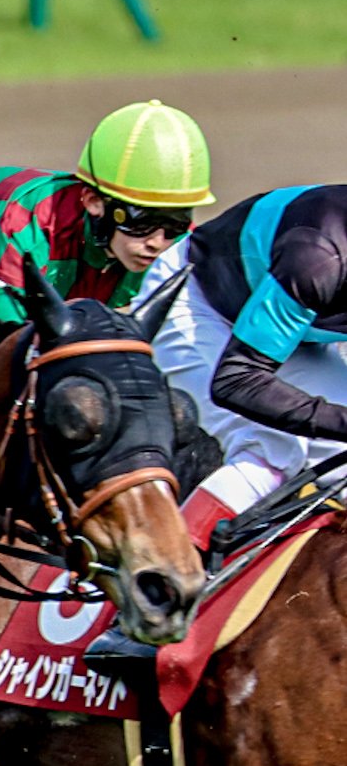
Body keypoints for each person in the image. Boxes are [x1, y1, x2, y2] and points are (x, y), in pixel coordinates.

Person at [135, 183, 347, 551]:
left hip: (290, 329)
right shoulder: (318, 258)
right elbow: (235, 380)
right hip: (197, 303)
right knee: (272, 447)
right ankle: (158, 575)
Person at [0, 99, 213, 342]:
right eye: (141, 222)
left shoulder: (176, 244)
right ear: (94, 202)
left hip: (58, 252)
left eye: (174, 225)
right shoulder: (28, 227)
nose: (157, 243)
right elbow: (2, 339)